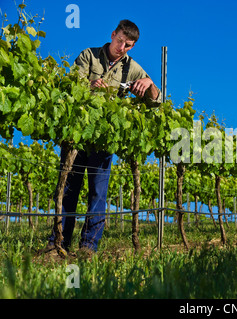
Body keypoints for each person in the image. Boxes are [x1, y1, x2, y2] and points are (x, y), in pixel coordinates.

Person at [44, 20, 161, 256]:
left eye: (128, 45)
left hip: (104, 139)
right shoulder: (89, 55)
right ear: (112, 35)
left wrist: (149, 83)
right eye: (120, 41)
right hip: (77, 136)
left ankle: (88, 246)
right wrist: (90, 85)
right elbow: (71, 87)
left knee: (98, 193)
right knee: (69, 189)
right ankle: (58, 242)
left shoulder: (133, 68)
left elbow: (156, 101)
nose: (122, 48)